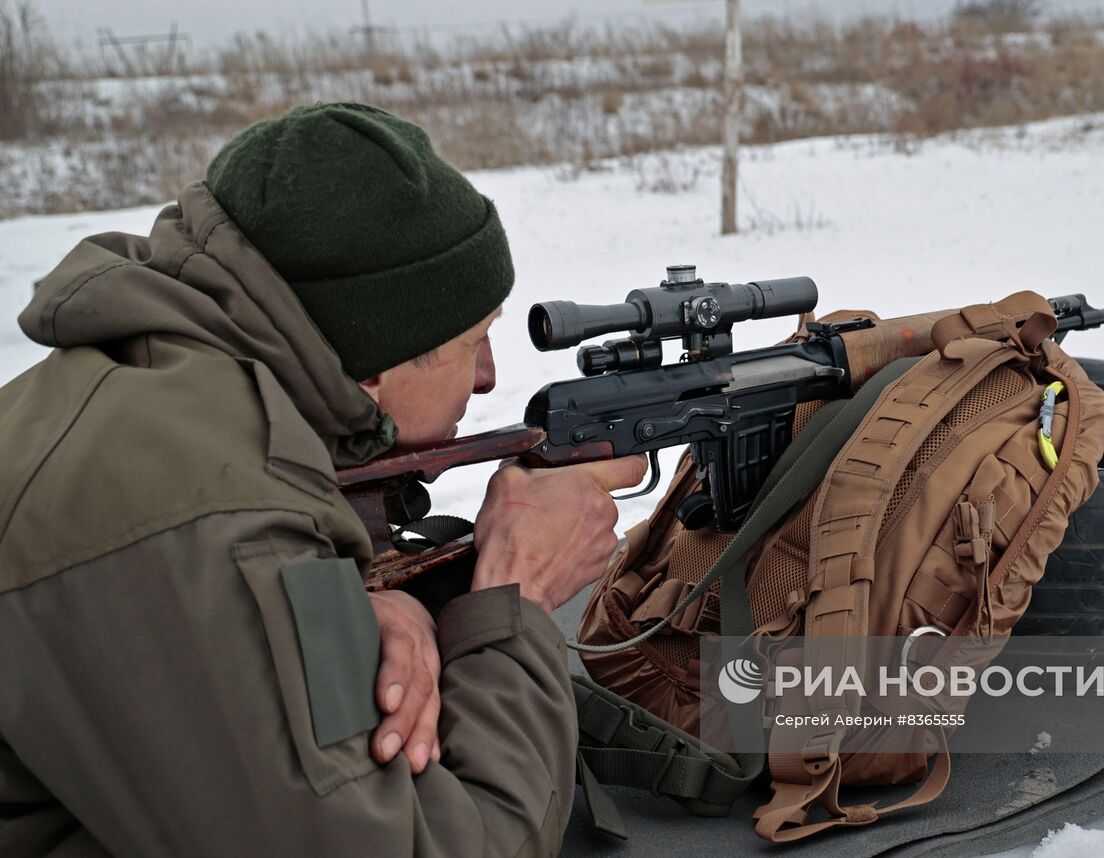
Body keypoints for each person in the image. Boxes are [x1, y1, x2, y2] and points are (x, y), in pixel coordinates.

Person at [0, 102, 645, 857]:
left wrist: (368, 599)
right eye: (472, 340)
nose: (487, 376)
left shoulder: (158, 395)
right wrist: (519, 592)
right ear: (370, 361)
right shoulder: (211, 521)